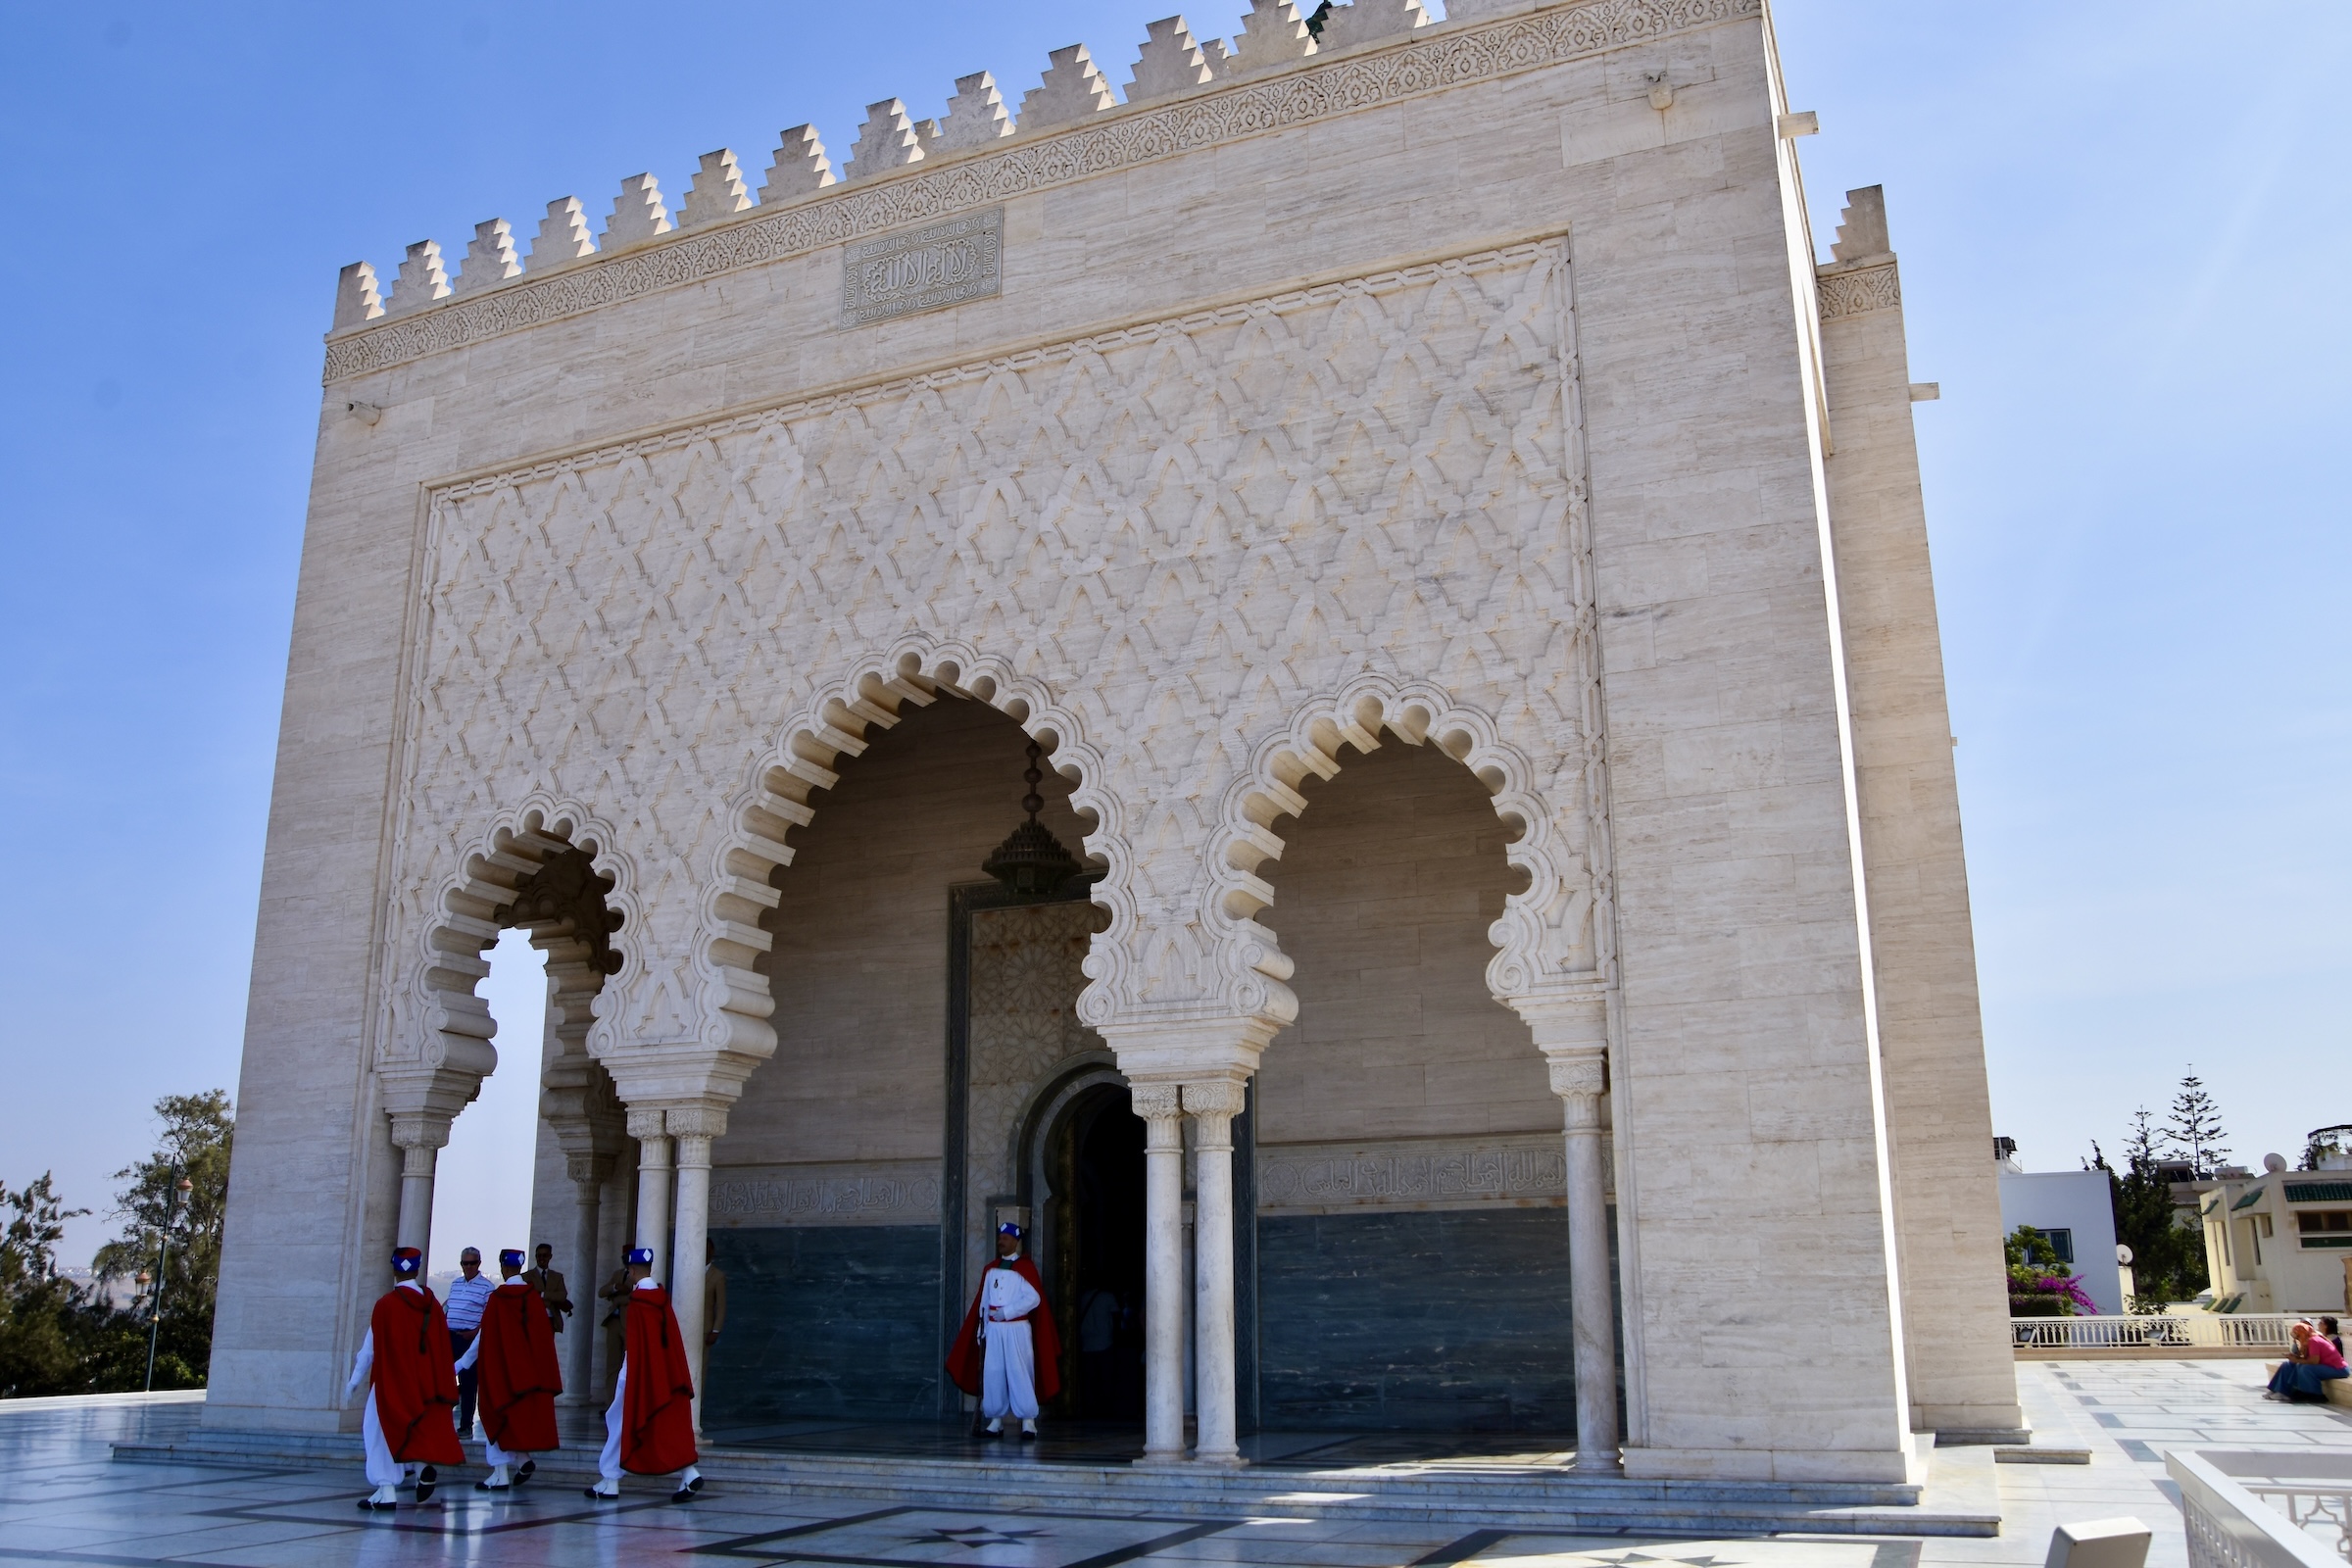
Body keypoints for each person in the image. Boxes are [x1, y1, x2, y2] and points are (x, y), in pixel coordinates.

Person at [343, 1248, 464, 1511]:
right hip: (426, 1384)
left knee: (377, 1431)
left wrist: (353, 1381)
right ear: (417, 1270)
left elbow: (369, 1349)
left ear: (395, 1269)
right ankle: (421, 1468)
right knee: (415, 1427)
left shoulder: (386, 1304)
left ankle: (386, 1490)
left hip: (393, 1382)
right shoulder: (432, 1304)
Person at [584, 1247, 704, 1503]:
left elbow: (635, 1347)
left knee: (619, 1422)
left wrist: (625, 1381)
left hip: (642, 1378)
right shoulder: (661, 1299)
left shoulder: (639, 1303)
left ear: (632, 1270)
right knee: (665, 1428)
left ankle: (611, 1480)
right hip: (667, 1377)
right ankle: (685, 1472)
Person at [454, 1249, 564, 1492]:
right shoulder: (533, 1298)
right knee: (514, 1420)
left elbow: (484, 1336)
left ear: (504, 1268)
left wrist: (462, 1363)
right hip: (528, 1376)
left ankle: (500, 1473)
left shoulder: (499, 1299)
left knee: (495, 1416)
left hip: (502, 1373)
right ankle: (523, 1460)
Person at [946, 1222, 1061, 1441]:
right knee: (994, 1373)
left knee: (1020, 1372)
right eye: (1000, 1237)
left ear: (1016, 1242)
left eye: (1006, 1238)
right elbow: (984, 1302)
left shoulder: (1025, 1269)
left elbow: (1033, 1298)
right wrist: (983, 1329)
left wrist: (1007, 1312)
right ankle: (995, 1420)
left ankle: (1028, 1422)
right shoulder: (991, 1269)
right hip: (994, 1330)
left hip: (1016, 1328)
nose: (1001, 1241)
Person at [443, 1247, 497, 1438]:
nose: (468, 1267)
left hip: (470, 1340)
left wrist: (475, 1333)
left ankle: (465, 1425)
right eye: (465, 1263)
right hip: (450, 1336)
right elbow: (448, 1306)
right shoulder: (455, 1283)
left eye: (472, 1263)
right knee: (444, 1380)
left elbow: (490, 1316)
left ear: (479, 1264)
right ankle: (442, 1423)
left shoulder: (487, 1287)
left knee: (468, 1383)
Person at [2267, 1320, 2349, 1402]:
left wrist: (2297, 1360)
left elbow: (2314, 1361)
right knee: (2288, 1364)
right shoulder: (2308, 1340)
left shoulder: (2314, 1341)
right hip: (2327, 1366)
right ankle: (2279, 1390)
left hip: (2338, 1369)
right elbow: (2308, 1358)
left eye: (2298, 1336)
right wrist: (2295, 1358)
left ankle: (2315, 1394)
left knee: (2305, 1369)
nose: (2297, 1339)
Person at [522, 1243, 571, 1339]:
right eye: (539, 1255)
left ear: (550, 1256)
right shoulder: (526, 1276)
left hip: (551, 1320)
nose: (541, 1258)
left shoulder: (557, 1277)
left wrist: (542, 1294)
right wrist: (551, 1297)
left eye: (545, 1255)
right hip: (532, 1319)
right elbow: (527, 1297)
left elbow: (562, 1296)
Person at [704, 1238, 727, 1349]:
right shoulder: (686, 1271)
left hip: (705, 1329)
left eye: (707, 1249)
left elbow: (721, 1306)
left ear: (712, 1251)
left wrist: (716, 1330)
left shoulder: (718, 1276)